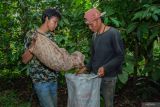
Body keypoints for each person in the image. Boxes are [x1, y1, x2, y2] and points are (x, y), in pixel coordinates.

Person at [77, 8, 124, 107]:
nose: (90, 28)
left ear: (98, 20)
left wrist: (105, 68)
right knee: (94, 102)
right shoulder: (94, 36)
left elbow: (120, 56)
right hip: (95, 76)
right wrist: (85, 68)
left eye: (91, 24)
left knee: (108, 103)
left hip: (109, 78)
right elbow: (93, 56)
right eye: (88, 25)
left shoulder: (113, 33)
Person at [22, 8, 61, 107]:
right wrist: (34, 46)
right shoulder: (32, 34)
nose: (56, 25)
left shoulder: (51, 36)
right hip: (41, 82)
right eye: (54, 22)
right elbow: (24, 60)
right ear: (47, 19)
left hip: (53, 79)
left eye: (57, 23)